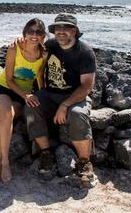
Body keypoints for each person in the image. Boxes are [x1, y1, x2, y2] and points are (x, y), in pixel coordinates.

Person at [24, 13, 97, 186]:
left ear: (75, 31)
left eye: (66, 27)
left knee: (78, 114)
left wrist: (65, 105)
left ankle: (84, 162)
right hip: (49, 93)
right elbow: (30, 47)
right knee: (31, 107)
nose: (61, 31)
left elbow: (86, 86)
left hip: (76, 96)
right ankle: (46, 153)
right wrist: (17, 43)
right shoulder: (50, 45)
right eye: (58, 28)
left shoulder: (85, 52)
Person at [0, 18, 47, 183]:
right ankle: (4, 161)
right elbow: (9, 79)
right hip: (4, 88)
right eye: (31, 31)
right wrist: (26, 96)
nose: (34, 35)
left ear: (44, 36)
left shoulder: (43, 55)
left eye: (39, 32)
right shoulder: (15, 48)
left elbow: (39, 77)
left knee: (6, 117)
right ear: (25, 34)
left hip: (22, 95)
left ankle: (0, 160)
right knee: (6, 114)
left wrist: (42, 96)